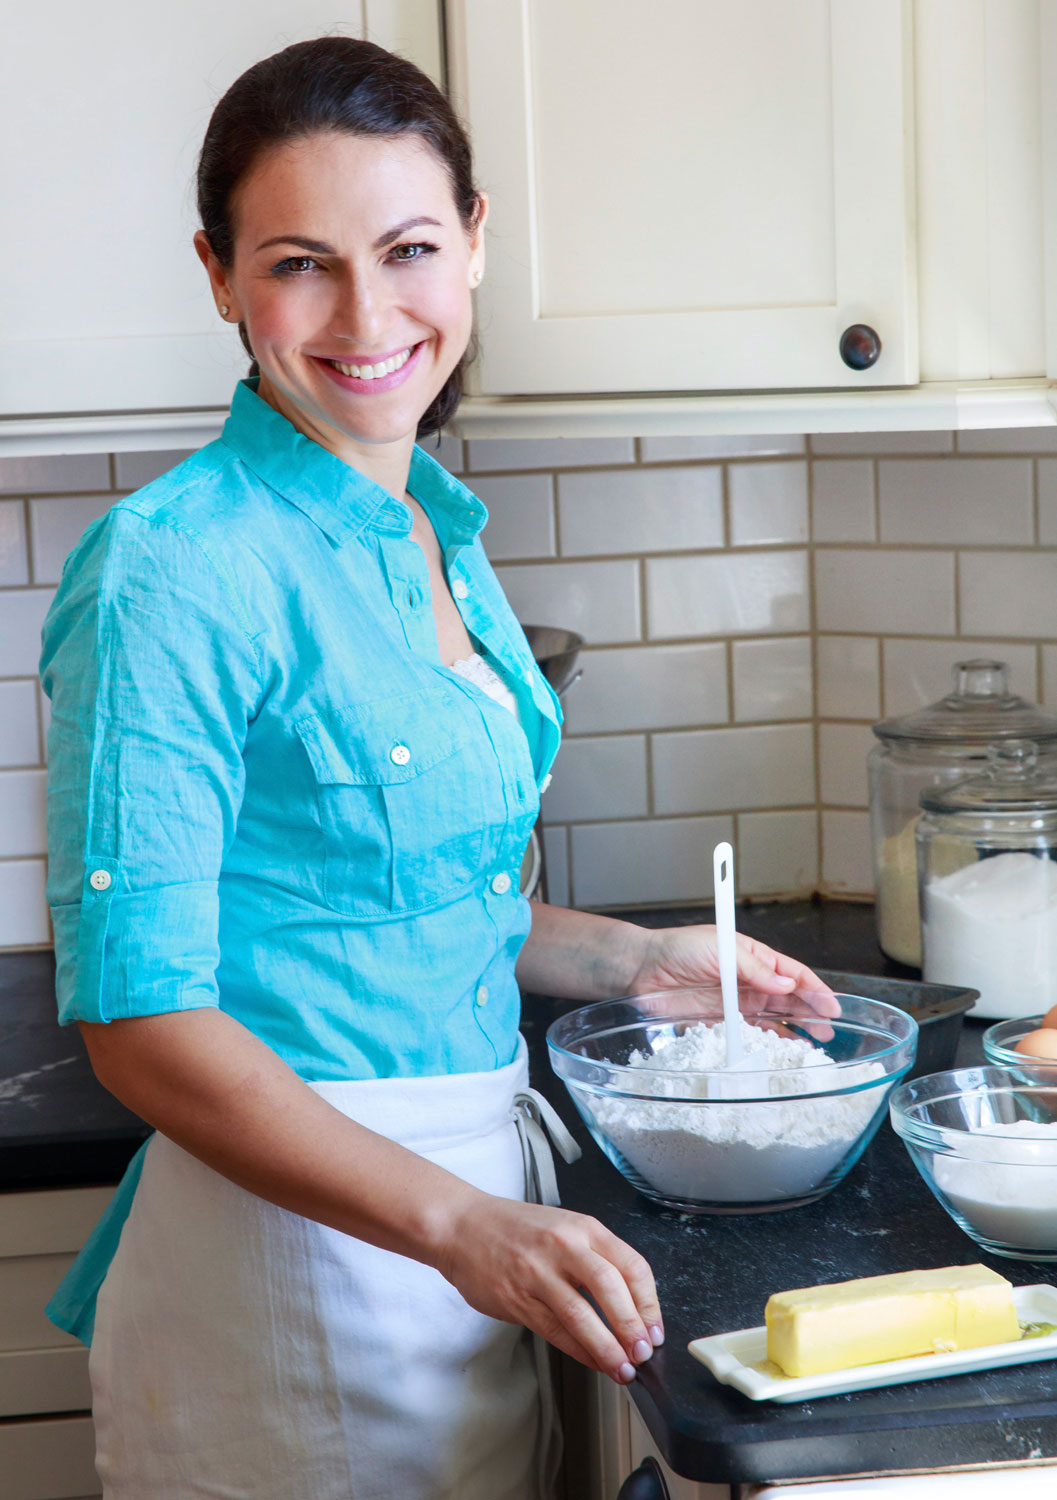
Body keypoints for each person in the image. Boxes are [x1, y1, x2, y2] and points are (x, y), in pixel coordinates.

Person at [40, 36, 837, 1500]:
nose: (365, 314)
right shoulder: (172, 568)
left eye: (407, 247)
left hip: (473, 1225)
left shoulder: (438, 533)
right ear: (219, 276)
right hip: (297, 1263)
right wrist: (460, 1228)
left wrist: (629, 962)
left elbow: (391, 894)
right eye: (298, 263)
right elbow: (139, 1024)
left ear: (472, 242)